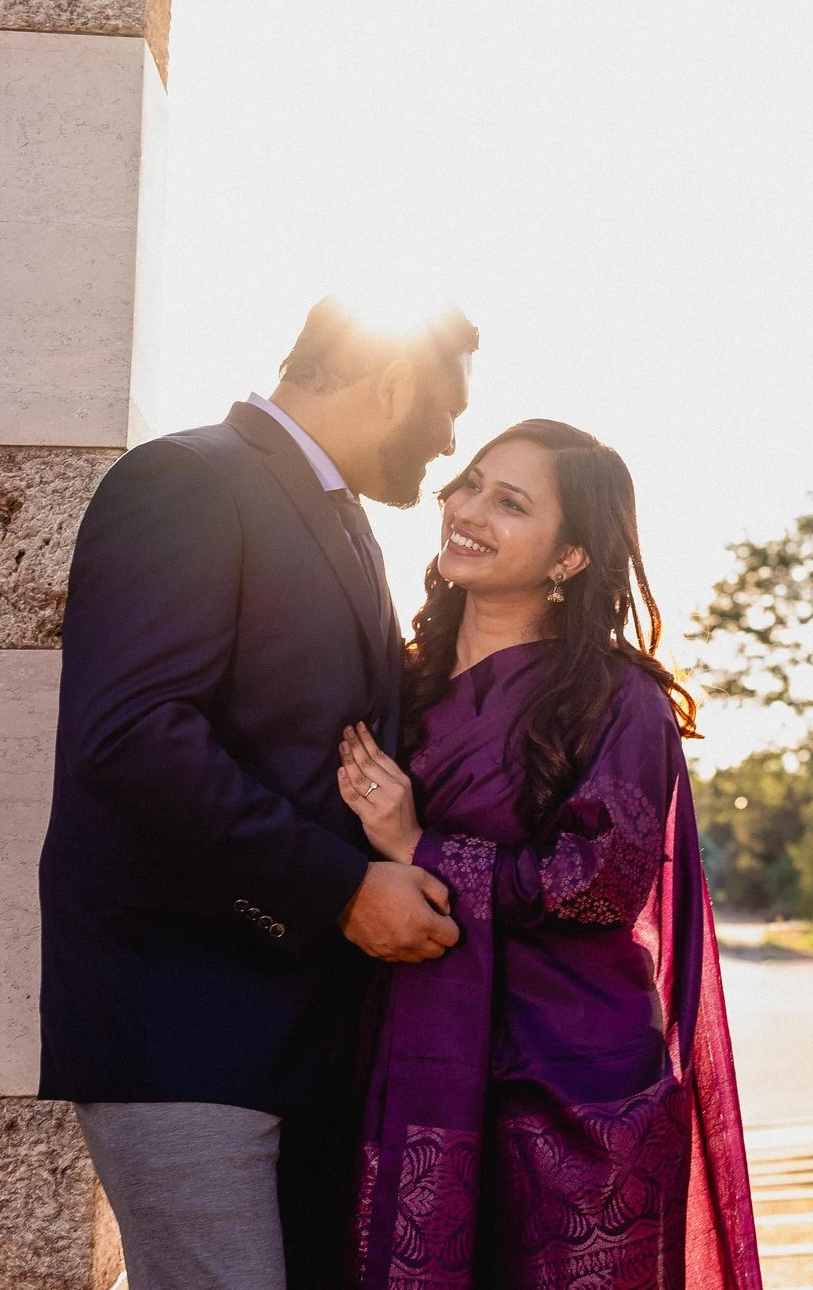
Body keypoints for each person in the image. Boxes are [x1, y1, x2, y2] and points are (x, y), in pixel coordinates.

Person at [39, 296, 481, 1290]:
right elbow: (134, 738)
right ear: (392, 381)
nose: (451, 440)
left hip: (304, 1032)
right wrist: (343, 889)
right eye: (445, 410)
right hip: (181, 1021)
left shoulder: (343, 525)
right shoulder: (188, 479)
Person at [334, 420, 760, 1290]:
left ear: (569, 556)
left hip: (572, 1091)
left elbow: (597, 882)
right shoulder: (393, 681)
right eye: (470, 483)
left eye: (510, 501)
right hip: (409, 1067)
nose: (468, 507)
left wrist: (419, 845)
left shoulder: (617, 700)